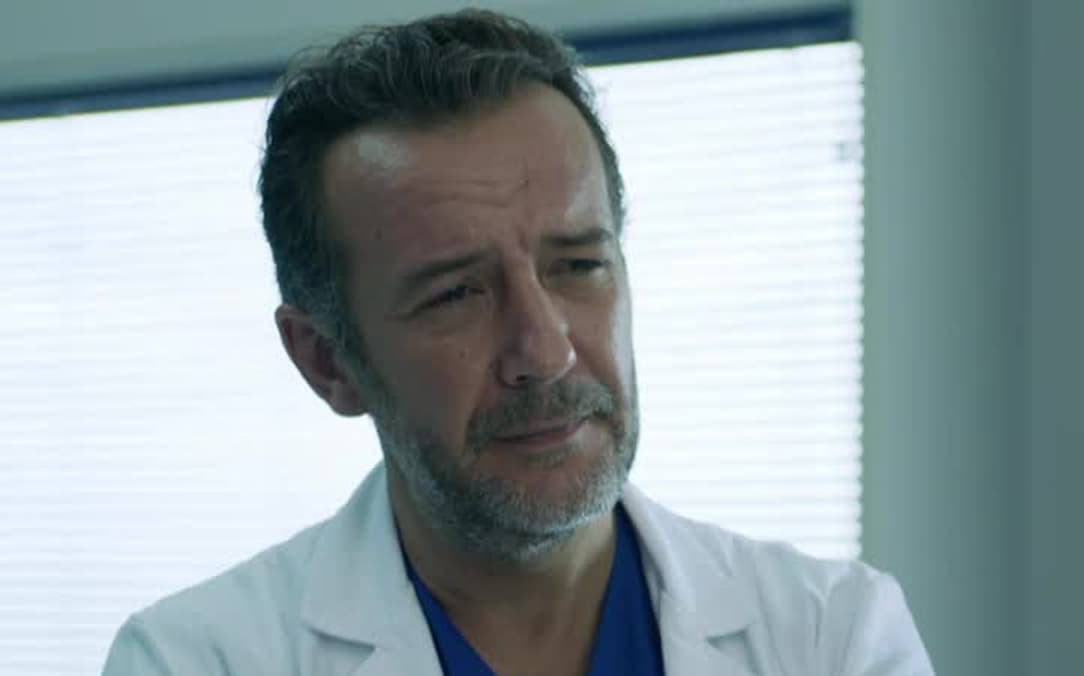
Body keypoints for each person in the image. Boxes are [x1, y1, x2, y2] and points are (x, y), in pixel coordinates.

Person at [101, 9, 932, 675]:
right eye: (456, 293)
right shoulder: (196, 659)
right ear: (327, 361)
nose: (545, 351)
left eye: (578, 265)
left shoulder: (832, 636)